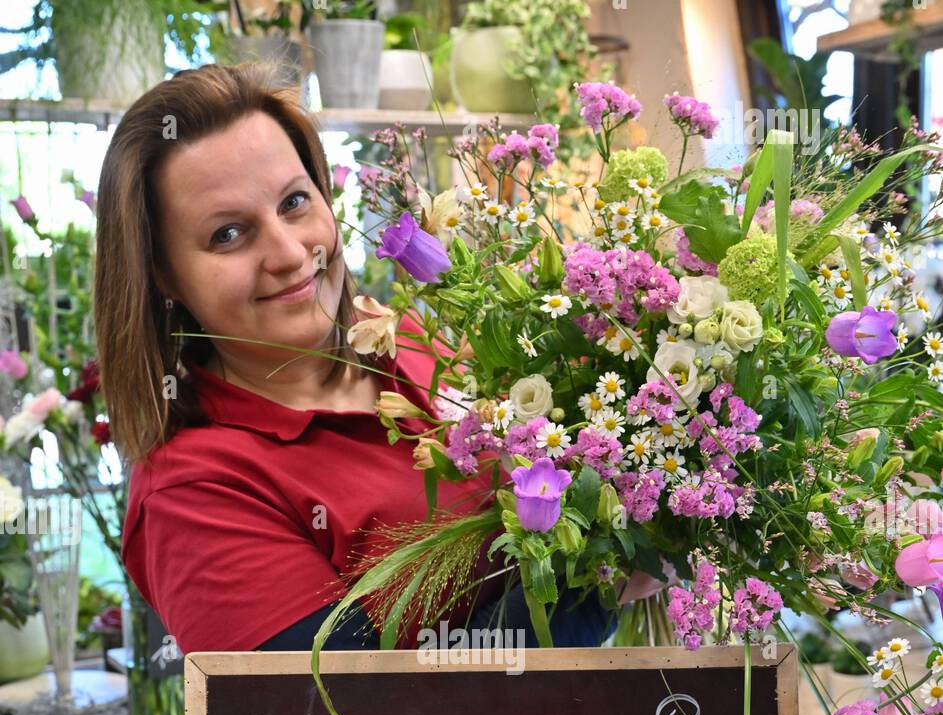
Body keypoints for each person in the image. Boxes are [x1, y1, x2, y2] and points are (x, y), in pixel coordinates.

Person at [93, 63, 617, 654]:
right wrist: (604, 577)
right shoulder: (192, 495)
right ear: (163, 275)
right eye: (227, 235)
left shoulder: (419, 342)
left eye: (294, 202)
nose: (291, 254)